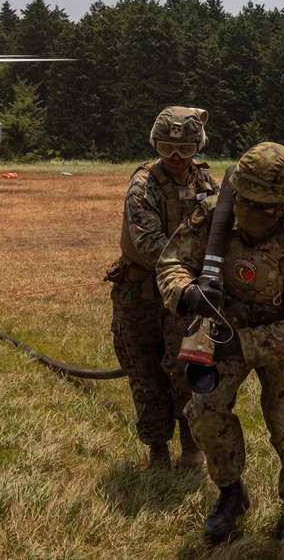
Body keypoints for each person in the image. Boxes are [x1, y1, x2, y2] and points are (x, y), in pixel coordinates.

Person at [157, 142, 284, 543]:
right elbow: (172, 260)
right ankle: (231, 492)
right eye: (248, 201)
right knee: (204, 411)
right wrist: (187, 293)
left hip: (278, 341)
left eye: (268, 206)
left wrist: (246, 344)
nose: (256, 211)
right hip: (220, 330)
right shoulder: (214, 218)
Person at [106, 106, 220, 470]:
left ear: (197, 148)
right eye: (166, 148)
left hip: (187, 296)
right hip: (142, 293)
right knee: (145, 371)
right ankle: (157, 450)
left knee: (187, 369)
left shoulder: (206, 183)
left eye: (185, 150)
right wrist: (188, 272)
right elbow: (147, 242)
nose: (175, 157)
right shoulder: (143, 185)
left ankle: (192, 447)